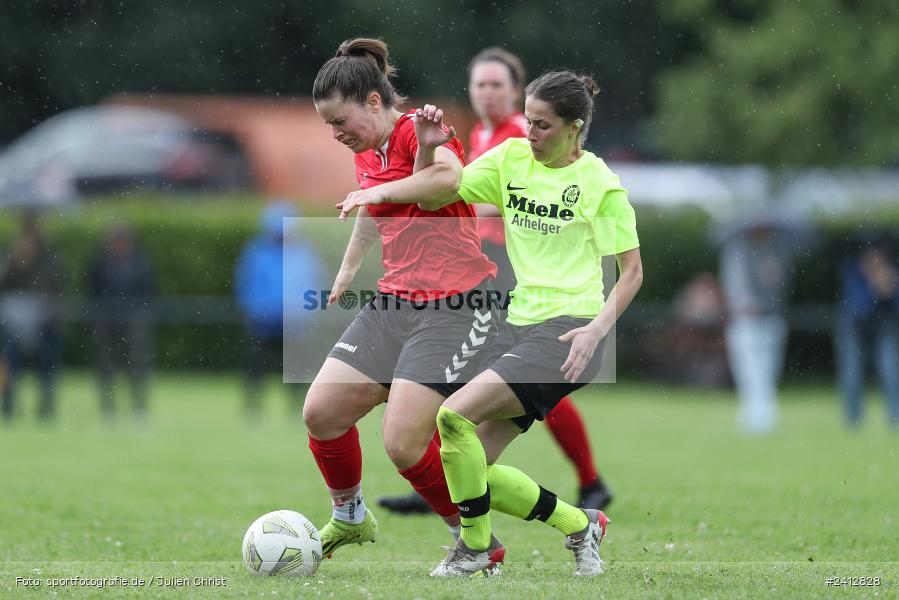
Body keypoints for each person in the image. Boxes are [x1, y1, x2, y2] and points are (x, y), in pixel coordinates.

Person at [337, 70, 642, 577]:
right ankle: (580, 523)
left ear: (575, 128)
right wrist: (429, 150)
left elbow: (631, 274)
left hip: (570, 331)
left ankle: (474, 552)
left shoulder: (600, 185)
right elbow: (437, 196)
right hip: (517, 323)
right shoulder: (510, 160)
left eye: (543, 126)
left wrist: (596, 329)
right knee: (471, 463)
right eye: (528, 121)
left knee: (451, 417)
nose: (530, 134)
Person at [378, 48, 612, 516]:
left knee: (518, 376)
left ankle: (585, 481)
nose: (485, 92)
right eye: (478, 84)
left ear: (513, 91)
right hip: (485, 261)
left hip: (506, 267)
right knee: (504, 378)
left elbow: (483, 198)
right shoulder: (481, 134)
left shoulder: (523, 138)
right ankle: (443, 475)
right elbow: (450, 191)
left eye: (495, 85)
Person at [304, 38, 503, 562]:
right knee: (321, 412)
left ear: (374, 101)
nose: (335, 133)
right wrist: (348, 268)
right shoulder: (366, 148)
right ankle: (349, 518)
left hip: (456, 306)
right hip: (395, 301)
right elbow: (375, 209)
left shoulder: (424, 128)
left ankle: (475, 543)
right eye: (328, 125)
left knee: (403, 442)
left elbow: (443, 183)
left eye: (340, 120)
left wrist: (374, 192)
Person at [234, 202, 324, 418]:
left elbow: (314, 284)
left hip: (294, 321)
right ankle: (253, 408)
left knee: (297, 369)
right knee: (257, 367)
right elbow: (247, 284)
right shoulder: (258, 252)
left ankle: (296, 408)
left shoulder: (303, 254)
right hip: (264, 321)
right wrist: (254, 309)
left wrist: (307, 312)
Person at [718, 220, 799, 434]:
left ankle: (765, 416)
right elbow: (733, 284)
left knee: (768, 369)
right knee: (748, 370)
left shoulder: (778, 252)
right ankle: (752, 415)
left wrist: (774, 274)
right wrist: (742, 301)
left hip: (771, 317)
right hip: (744, 320)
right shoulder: (737, 252)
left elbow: (782, 287)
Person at [86, 225, 155, 421]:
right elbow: (92, 289)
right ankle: (108, 409)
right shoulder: (99, 262)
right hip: (106, 319)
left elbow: (148, 289)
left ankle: (139, 407)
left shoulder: (140, 262)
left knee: (137, 364)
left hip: (134, 320)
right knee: (106, 365)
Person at [0, 210, 62, 422]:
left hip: (43, 320)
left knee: (46, 366)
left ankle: (46, 407)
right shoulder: (12, 253)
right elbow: (6, 284)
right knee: (9, 364)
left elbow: (53, 285)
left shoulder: (48, 255)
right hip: (15, 319)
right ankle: (8, 406)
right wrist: (16, 263)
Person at [836, 235, 899, 428]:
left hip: (884, 324)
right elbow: (855, 306)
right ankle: (854, 418)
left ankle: (895, 416)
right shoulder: (853, 271)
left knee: (889, 369)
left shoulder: (891, 273)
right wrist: (874, 288)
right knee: (852, 371)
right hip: (854, 325)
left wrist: (886, 287)